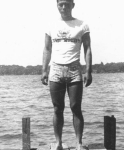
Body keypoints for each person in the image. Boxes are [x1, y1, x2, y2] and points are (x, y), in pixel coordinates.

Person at [41, 0, 92, 149]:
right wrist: (44, 70)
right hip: (56, 69)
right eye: (61, 4)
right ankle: (58, 143)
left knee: (76, 107)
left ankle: (79, 144)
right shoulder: (51, 25)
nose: (64, 7)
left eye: (67, 4)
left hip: (75, 69)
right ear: (57, 5)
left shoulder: (82, 25)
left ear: (73, 5)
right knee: (57, 108)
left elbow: (87, 49)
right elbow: (47, 49)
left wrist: (88, 71)